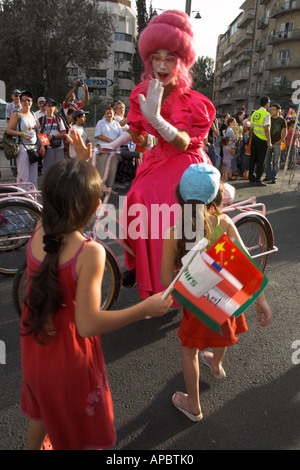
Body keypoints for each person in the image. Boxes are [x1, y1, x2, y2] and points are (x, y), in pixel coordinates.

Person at [20, 158, 172, 450]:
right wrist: (144, 309)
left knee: (42, 408)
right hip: (69, 361)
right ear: (92, 209)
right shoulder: (89, 253)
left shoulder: (40, 229)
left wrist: (81, 158)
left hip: (35, 346)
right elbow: (88, 324)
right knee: (79, 433)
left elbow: (65, 190)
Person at [104, 10, 215, 297]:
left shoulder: (194, 102)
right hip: (157, 159)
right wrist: (113, 144)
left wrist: (157, 120)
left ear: (182, 61)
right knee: (135, 198)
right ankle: (145, 269)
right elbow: (139, 133)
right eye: (156, 57)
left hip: (187, 162)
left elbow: (183, 142)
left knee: (167, 206)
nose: (162, 64)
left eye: (170, 57)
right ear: (148, 59)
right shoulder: (142, 91)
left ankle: (186, 281)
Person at [160, 164, 272, 421]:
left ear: (180, 196)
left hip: (197, 306)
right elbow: (246, 264)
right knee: (224, 332)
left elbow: (167, 279)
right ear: (216, 197)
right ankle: (217, 364)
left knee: (189, 351)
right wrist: (261, 300)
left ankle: (193, 404)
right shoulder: (223, 222)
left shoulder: (175, 233)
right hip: (226, 299)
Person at [6, 90, 45, 188]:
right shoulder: (17, 114)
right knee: (23, 176)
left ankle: (32, 198)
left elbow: (39, 131)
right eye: (24, 100)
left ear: (32, 102)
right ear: (21, 102)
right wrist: (22, 134)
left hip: (34, 148)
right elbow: (9, 130)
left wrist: (43, 145)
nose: (26, 102)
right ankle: (22, 199)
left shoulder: (33, 114)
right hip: (23, 148)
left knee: (33, 176)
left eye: (28, 100)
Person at [94, 105, 123, 194]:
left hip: (114, 151)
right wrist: (112, 141)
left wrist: (119, 151)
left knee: (112, 170)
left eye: (111, 113)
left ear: (114, 114)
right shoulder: (100, 123)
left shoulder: (117, 124)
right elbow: (98, 136)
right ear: (104, 114)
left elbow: (120, 137)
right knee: (102, 170)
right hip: (103, 149)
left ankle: (110, 188)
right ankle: (101, 189)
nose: (109, 115)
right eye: (107, 113)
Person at [38, 98, 66, 174]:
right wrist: (44, 145)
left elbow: (63, 133)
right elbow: (39, 133)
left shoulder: (58, 119)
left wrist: (53, 137)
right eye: (49, 106)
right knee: (47, 169)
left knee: (60, 169)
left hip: (59, 146)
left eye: (52, 106)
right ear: (45, 107)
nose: (51, 108)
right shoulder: (41, 120)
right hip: (48, 147)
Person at [249, 96, 272, 186]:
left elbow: (251, 127)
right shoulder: (266, 114)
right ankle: (258, 179)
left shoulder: (255, 113)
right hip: (262, 139)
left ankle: (251, 178)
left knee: (253, 159)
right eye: (269, 102)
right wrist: (269, 141)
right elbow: (267, 129)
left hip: (254, 138)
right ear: (266, 103)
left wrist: (252, 137)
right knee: (261, 161)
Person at [263, 103, 287, 184]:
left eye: (273, 109)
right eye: (271, 109)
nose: (271, 111)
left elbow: (284, 132)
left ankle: (274, 177)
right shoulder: (269, 118)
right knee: (267, 160)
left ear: (278, 110)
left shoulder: (282, 120)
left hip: (277, 143)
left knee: (276, 161)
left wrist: (280, 141)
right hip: (269, 142)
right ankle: (268, 176)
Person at [6, 88, 22, 177]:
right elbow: (8, 120)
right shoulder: (9, 106)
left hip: (21, 131)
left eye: (19, 96)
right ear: (12, 97)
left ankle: (19, 167)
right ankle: (14, 169)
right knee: (13, 150)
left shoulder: (22, 106)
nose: (18, 98)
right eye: (16, 96)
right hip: (13, 131)